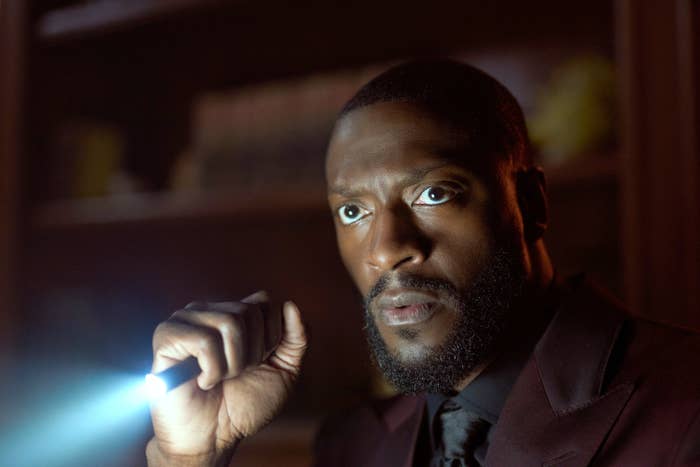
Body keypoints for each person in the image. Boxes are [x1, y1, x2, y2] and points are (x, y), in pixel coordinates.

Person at [146, 60, 700, 467]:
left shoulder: (684, 411)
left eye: (433, 194)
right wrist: (191, 459)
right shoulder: (353, 447)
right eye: (353, 210)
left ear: (531, 204)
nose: (386, 249)